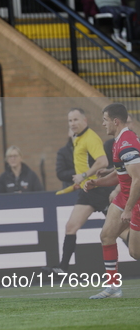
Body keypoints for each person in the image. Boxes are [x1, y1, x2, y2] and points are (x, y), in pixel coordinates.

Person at [45, 108, 111, 274]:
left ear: (85, 121)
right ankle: (63, 268)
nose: (72, 123)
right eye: (70, 121)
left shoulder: (90, 137)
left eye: (76, 120)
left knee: (119, 230)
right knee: (71, 227)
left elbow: (103, 161)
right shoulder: (77, 138)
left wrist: (83, 175)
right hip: (87, 191)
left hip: (100, 190)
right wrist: (80, 182)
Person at [85, 104, 140, 299]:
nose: (102, 124)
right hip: (124, 197)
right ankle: (113, 287)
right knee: (106, 236)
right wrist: (98, 182)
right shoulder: (120, 140)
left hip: (135, 200)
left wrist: (129, 208)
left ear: (115, 121)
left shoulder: (126, 143)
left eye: (105, 120)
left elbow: (137, 179)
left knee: (135, 252)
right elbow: (122, 173)